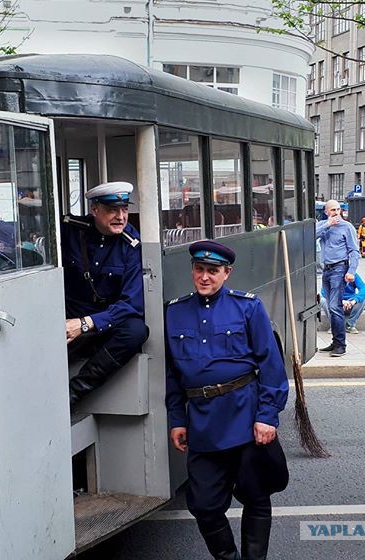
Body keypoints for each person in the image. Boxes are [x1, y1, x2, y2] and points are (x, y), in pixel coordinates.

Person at [165, 240, 289, 560]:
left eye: (213, 271)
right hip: (202, 424)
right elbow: (172, 375)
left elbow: (272, 366)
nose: (205, 277)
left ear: (226, 273)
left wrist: (268, 415)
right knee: (203, 505)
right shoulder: (175, 312)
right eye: (199, 269)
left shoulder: (247, 307)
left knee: (256, 494)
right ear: (192, 270)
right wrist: (177, 419)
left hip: (245, 418)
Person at [62, 181, 148, 409]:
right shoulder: (70, 230)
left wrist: (85, 324)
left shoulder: (131, 244)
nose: (121, 216)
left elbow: (132, 304)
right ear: (94, 210)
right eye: (112, 210)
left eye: (124, 209)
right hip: (68, 322)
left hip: (105, 324)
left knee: (136, 331)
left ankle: (73, 394)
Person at [315, 200, 361, 357]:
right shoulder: (323, 225)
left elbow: (354, 251)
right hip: (326, 270)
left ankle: (341, 345)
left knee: (335, 307)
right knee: (330, 306)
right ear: (326, 212)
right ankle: (335, 342)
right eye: (332, 210)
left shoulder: (346, 227)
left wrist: (351, 271)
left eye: (338, 209)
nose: (336, 212)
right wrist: (327, 224)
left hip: (339, 269)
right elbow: (310, 236)